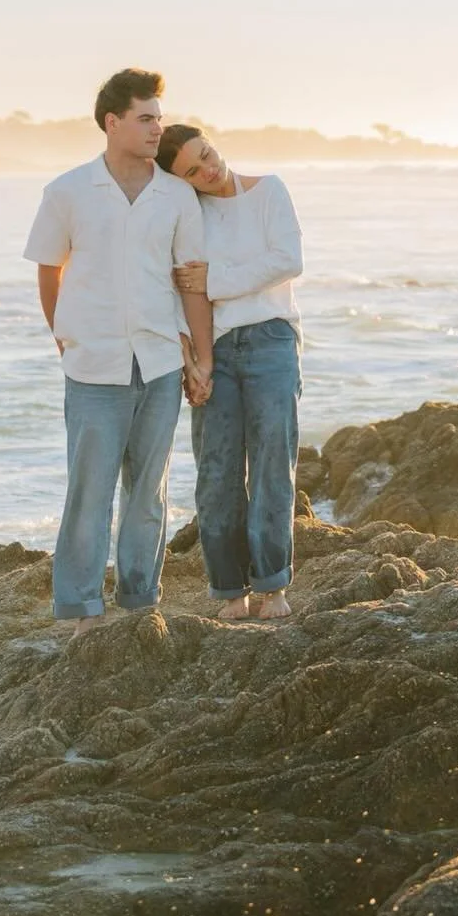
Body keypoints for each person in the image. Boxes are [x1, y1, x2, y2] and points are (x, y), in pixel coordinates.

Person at [24, 69, 214, 635]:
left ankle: (139, 602)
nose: (158, 127)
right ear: (113, 122)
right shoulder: (67, 191)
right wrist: (66, 335)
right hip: (92, 367)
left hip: (157, 364)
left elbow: (191, 282)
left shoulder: (177, 195)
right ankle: (80, 610)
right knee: (89, 493)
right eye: (146, 118)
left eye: (159, 116)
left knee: (148, 495)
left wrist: (201, 359)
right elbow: (48, 270)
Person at [156, 124, 303, 621]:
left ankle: (273, 586)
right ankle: (227, 590)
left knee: (271, 465)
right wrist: (192, 358)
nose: (209, 170)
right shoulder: (187, 214)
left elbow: (286, 261)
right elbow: (180, 288)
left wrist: (216, 281)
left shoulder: (269, 191)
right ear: (181, 181)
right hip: (212, 347)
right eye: (193, 171)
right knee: (216, 473)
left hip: (271, 340)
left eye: (208, 154)